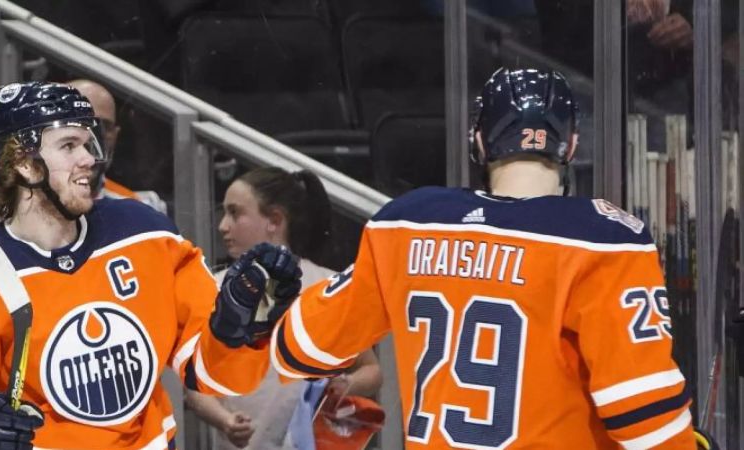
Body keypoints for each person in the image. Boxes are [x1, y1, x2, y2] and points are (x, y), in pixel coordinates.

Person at [267, 68, 699, 448]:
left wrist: (282, 306)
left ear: (478, 140)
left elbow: (301, 350)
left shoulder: (407, 222)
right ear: (569, 146)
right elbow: (644, 417)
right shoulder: (604, 239)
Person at [0, 81, 301, 450]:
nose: (89, 159)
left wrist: (241, 328)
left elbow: (220, 379)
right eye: (69, 146)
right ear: (24, 163)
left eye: (89, 144)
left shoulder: (147, 234)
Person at [185, 167, 383, 449]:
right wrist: (224, 420)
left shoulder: (327, 286)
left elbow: (371, 370)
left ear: (274, 220)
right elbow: (195, 385)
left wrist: (342, 386)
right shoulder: (212, 289)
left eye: (235, 213)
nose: (223, 225)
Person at [66, 78, 167, 214]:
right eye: (80, 123)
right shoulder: (29, 208)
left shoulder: (140, 211)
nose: (92, 137)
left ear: (115, 135)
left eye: (104, 127)